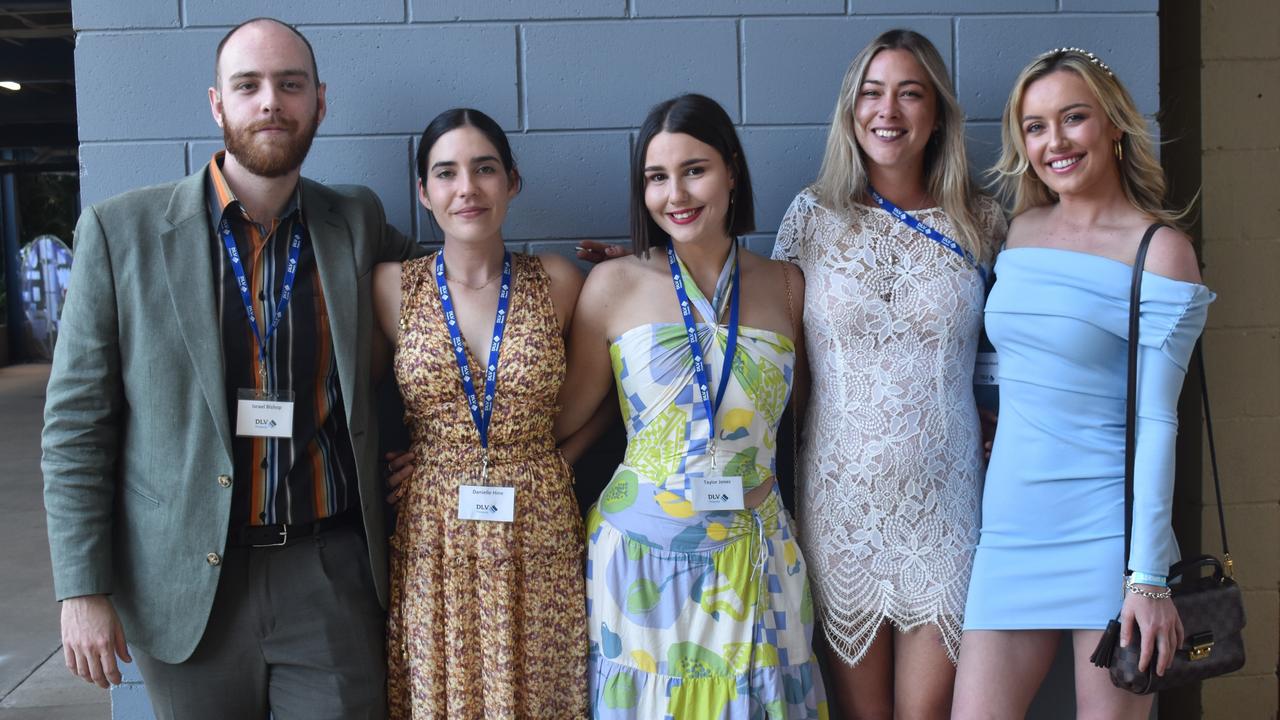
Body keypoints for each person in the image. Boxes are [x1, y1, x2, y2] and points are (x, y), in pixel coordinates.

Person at [42, 17, 419, 718]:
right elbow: (76, 427)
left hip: (329, 575)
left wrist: (635, 271)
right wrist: (81, 588)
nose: (270, 102)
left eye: (290, 85)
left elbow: (462, 289)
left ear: (319, 102)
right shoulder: (120, 233)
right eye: (248, 86)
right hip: (186, 585)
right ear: (218, 104)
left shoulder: (356, 222)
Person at [952, 48, 1211, 719]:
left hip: (1105, 535)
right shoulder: (1021, 232)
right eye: (1035, 127)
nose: (1054, 142)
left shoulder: (1161, 251)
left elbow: (1160, 422)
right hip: (1008, 529)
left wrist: (1148, 578)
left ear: (1114, 125)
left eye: (1073, 118)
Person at [555, 93, 827, 718]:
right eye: (656, 177)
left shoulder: (787, 284)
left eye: (694, 170)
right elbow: (566, 419)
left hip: (756, 558)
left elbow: (814, 421)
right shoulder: (615, 284)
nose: (675, 193)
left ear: (732, 169)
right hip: (640, 565)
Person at [770, 29, 1006, 718]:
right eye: (872, 93)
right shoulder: (810, 218)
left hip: (947, 500)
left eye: (911, 93)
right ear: (851, 111)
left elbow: (1015, 342)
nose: (889, 110)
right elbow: (766, 331)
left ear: (938, 114)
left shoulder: (982, 220)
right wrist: (650, 268)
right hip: (840, 499)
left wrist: (1004, 419)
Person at [372, 108, 589, 719]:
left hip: (538, 526)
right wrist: (387, 461)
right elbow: (346, 398)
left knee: (542, 695)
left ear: (512, 181)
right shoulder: (391, 288)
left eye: (484, 169)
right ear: (424, 191)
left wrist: (560, 459)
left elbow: (617, 387)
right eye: (446, 173)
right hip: (434, 533)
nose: (467, 188)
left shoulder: (558, 281)